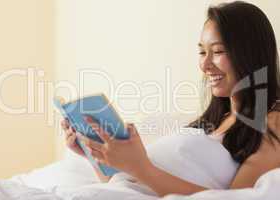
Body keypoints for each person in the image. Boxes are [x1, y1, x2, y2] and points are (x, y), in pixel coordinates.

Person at [61, 1, 280, 197]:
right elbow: (128, 185)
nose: (204, 66)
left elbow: (236, 197)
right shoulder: (216, 119)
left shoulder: (273, 121)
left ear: (250, 53)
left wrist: (141, 167)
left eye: (218, 51)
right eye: (202, 53)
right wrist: (97, 157)